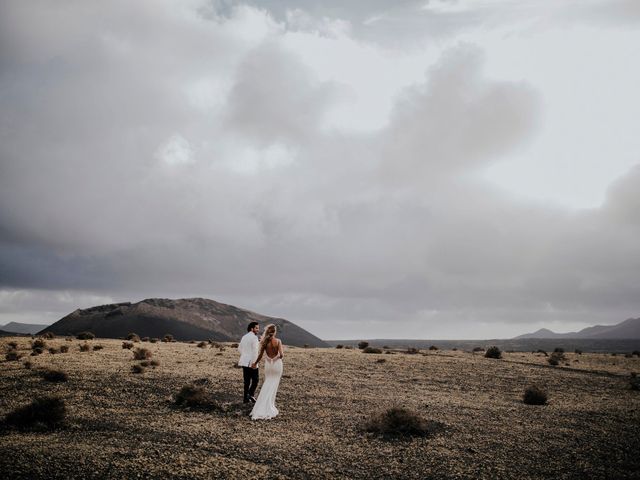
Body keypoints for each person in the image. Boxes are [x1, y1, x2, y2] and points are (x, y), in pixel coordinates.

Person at [250, 323, 284, 420]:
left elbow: (260, 355)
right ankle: (269, 405)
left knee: (267, 382)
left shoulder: (265, 342)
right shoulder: (278, 341)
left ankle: (261, 405)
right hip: (276, 365)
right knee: (274, 384)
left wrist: (255, 363)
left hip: (268, 365)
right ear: (275, 332)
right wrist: (274, 359)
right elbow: (281, 355)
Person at [237, 321, 260, 403]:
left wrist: (245, 355)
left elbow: (239, 348)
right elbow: (255, 352)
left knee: (246, 381)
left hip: (244, 361)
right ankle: (250, 394)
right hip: (252, 362)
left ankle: (245, 399)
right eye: (256, 328)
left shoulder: (244, 337)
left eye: (258, 328)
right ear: (252, 328)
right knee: (256, 380)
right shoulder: (254, 338)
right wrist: (254, 363)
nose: (258, 330)